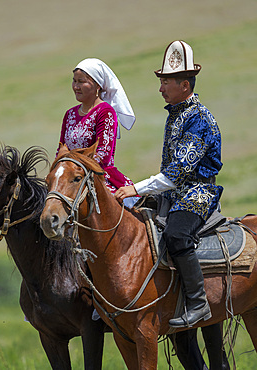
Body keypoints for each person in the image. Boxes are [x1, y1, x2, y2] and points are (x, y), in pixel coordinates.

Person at [115, 40, 223, 328]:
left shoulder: (198, 118)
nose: (160, 88)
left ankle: (199, 303)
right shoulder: (176, 114)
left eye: (165, 82)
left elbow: (177, 173)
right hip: (174, 193)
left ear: (184, 85)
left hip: (197, 193)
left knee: (176, 236)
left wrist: (135, 188)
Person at [57, 58, 138, 208]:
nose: (76, 86)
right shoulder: (69, 114)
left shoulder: (105, 111)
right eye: (74, 81)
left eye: (81, 81)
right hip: (70, 177)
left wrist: (75, 170)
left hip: (99, 177)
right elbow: (61, 149)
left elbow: (103, 154)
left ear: (98, 85)